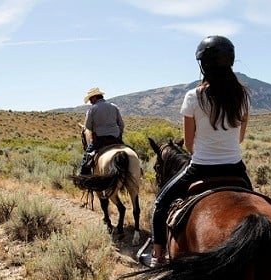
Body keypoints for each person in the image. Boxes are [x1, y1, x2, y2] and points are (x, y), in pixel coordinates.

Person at [149, 35, 252, 267]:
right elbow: (241, 137)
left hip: (200, 168)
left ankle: (157, 256)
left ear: (203, 64)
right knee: (255, 208)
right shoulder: (243, 95)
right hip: (236, 167)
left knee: (160, 205)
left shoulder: (193, 96)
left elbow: (188, 143)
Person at [79, 87, 125, 175]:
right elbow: (121, 125)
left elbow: (88, 126)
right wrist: (119, 134)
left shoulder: (92, 109)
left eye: (90, 99)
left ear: (95, 97)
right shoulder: (114, 107)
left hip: (100, 139)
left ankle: (83, 176)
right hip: (116, 138)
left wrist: (95, 129)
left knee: (86, 156)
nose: (90, 102)